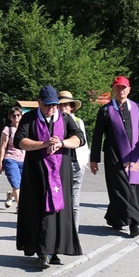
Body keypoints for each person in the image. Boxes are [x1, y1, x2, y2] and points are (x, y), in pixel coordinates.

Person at [14, 86, 84, 269]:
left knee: (58, 212)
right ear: (39, 103)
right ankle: (42, 251)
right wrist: (43, 144)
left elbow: (80, 138)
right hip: (37, 174)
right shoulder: (29, 118)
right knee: (39, 211)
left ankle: (54, 250)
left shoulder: (65, 118)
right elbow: (20, 141)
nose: (52, 109)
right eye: (48, 105)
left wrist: (62, 143)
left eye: (55, 105)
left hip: (61, 173)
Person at [90, 76, 139, 238]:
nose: (122, 90)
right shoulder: (105, 110)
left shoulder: (136, 107)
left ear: (129, 89)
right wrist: (94, 159)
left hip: (133, 155)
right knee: (119, 189)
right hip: (114, 156)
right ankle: (134, 223)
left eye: (124, 87)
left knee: (132, 187)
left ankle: (115, 218)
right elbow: (97, 136)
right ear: (113, 89)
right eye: (118, 88)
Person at [58, 91, 91, 229]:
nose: (64, 107)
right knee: (60, 199)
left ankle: (74, 232)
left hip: (76, 163)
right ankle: (61, 231)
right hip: (60, 165)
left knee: (74, 201)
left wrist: (83, 163)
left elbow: (84, 144)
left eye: (66, 104)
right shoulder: (55, 122)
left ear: (72, 107)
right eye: (61, 105)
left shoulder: (78, 122)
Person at [0, 107, 25, 209]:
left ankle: (11, 195)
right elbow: (3, 147)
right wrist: (0, 162)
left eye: (18, 115)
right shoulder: (7, 130)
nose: (16, 117)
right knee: (15, 183)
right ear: (10, 118)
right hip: (11, 159)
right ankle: (21, 208)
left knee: (22, 185)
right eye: (14, 115)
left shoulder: (25, 129)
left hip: (23, 160)